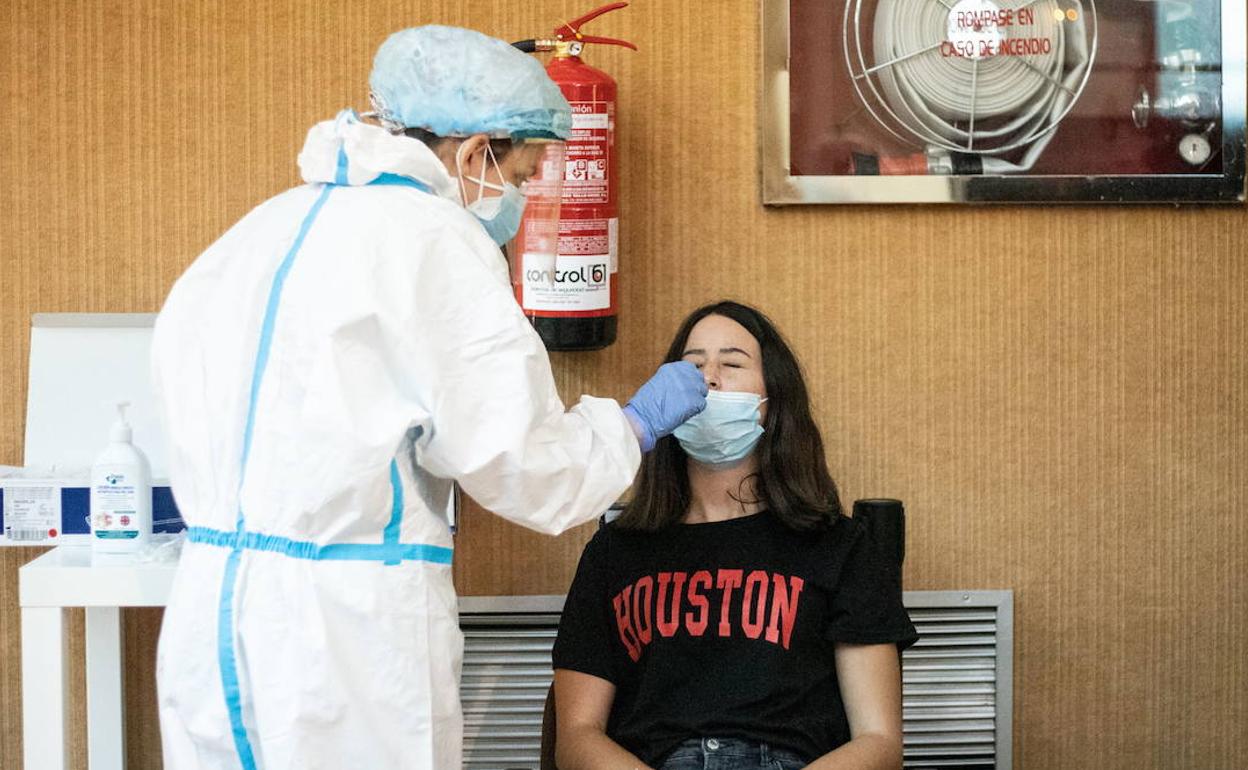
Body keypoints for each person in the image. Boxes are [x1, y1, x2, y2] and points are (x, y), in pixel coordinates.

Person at [150, 25, 706, 770]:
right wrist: (632, 426)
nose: (519, 197)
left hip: (208, 616)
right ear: (477, 152)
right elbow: (529, 469)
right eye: (525, 171)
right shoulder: (435, 242)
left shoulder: (256, 235)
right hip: (341, 644)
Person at [552, 301, 919, 770]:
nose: (709, 378)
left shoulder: (839, 546)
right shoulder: (613, 552)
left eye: (731, 363)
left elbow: (880, 741)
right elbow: (578, 737)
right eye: (693, 365)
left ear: (772, 399)